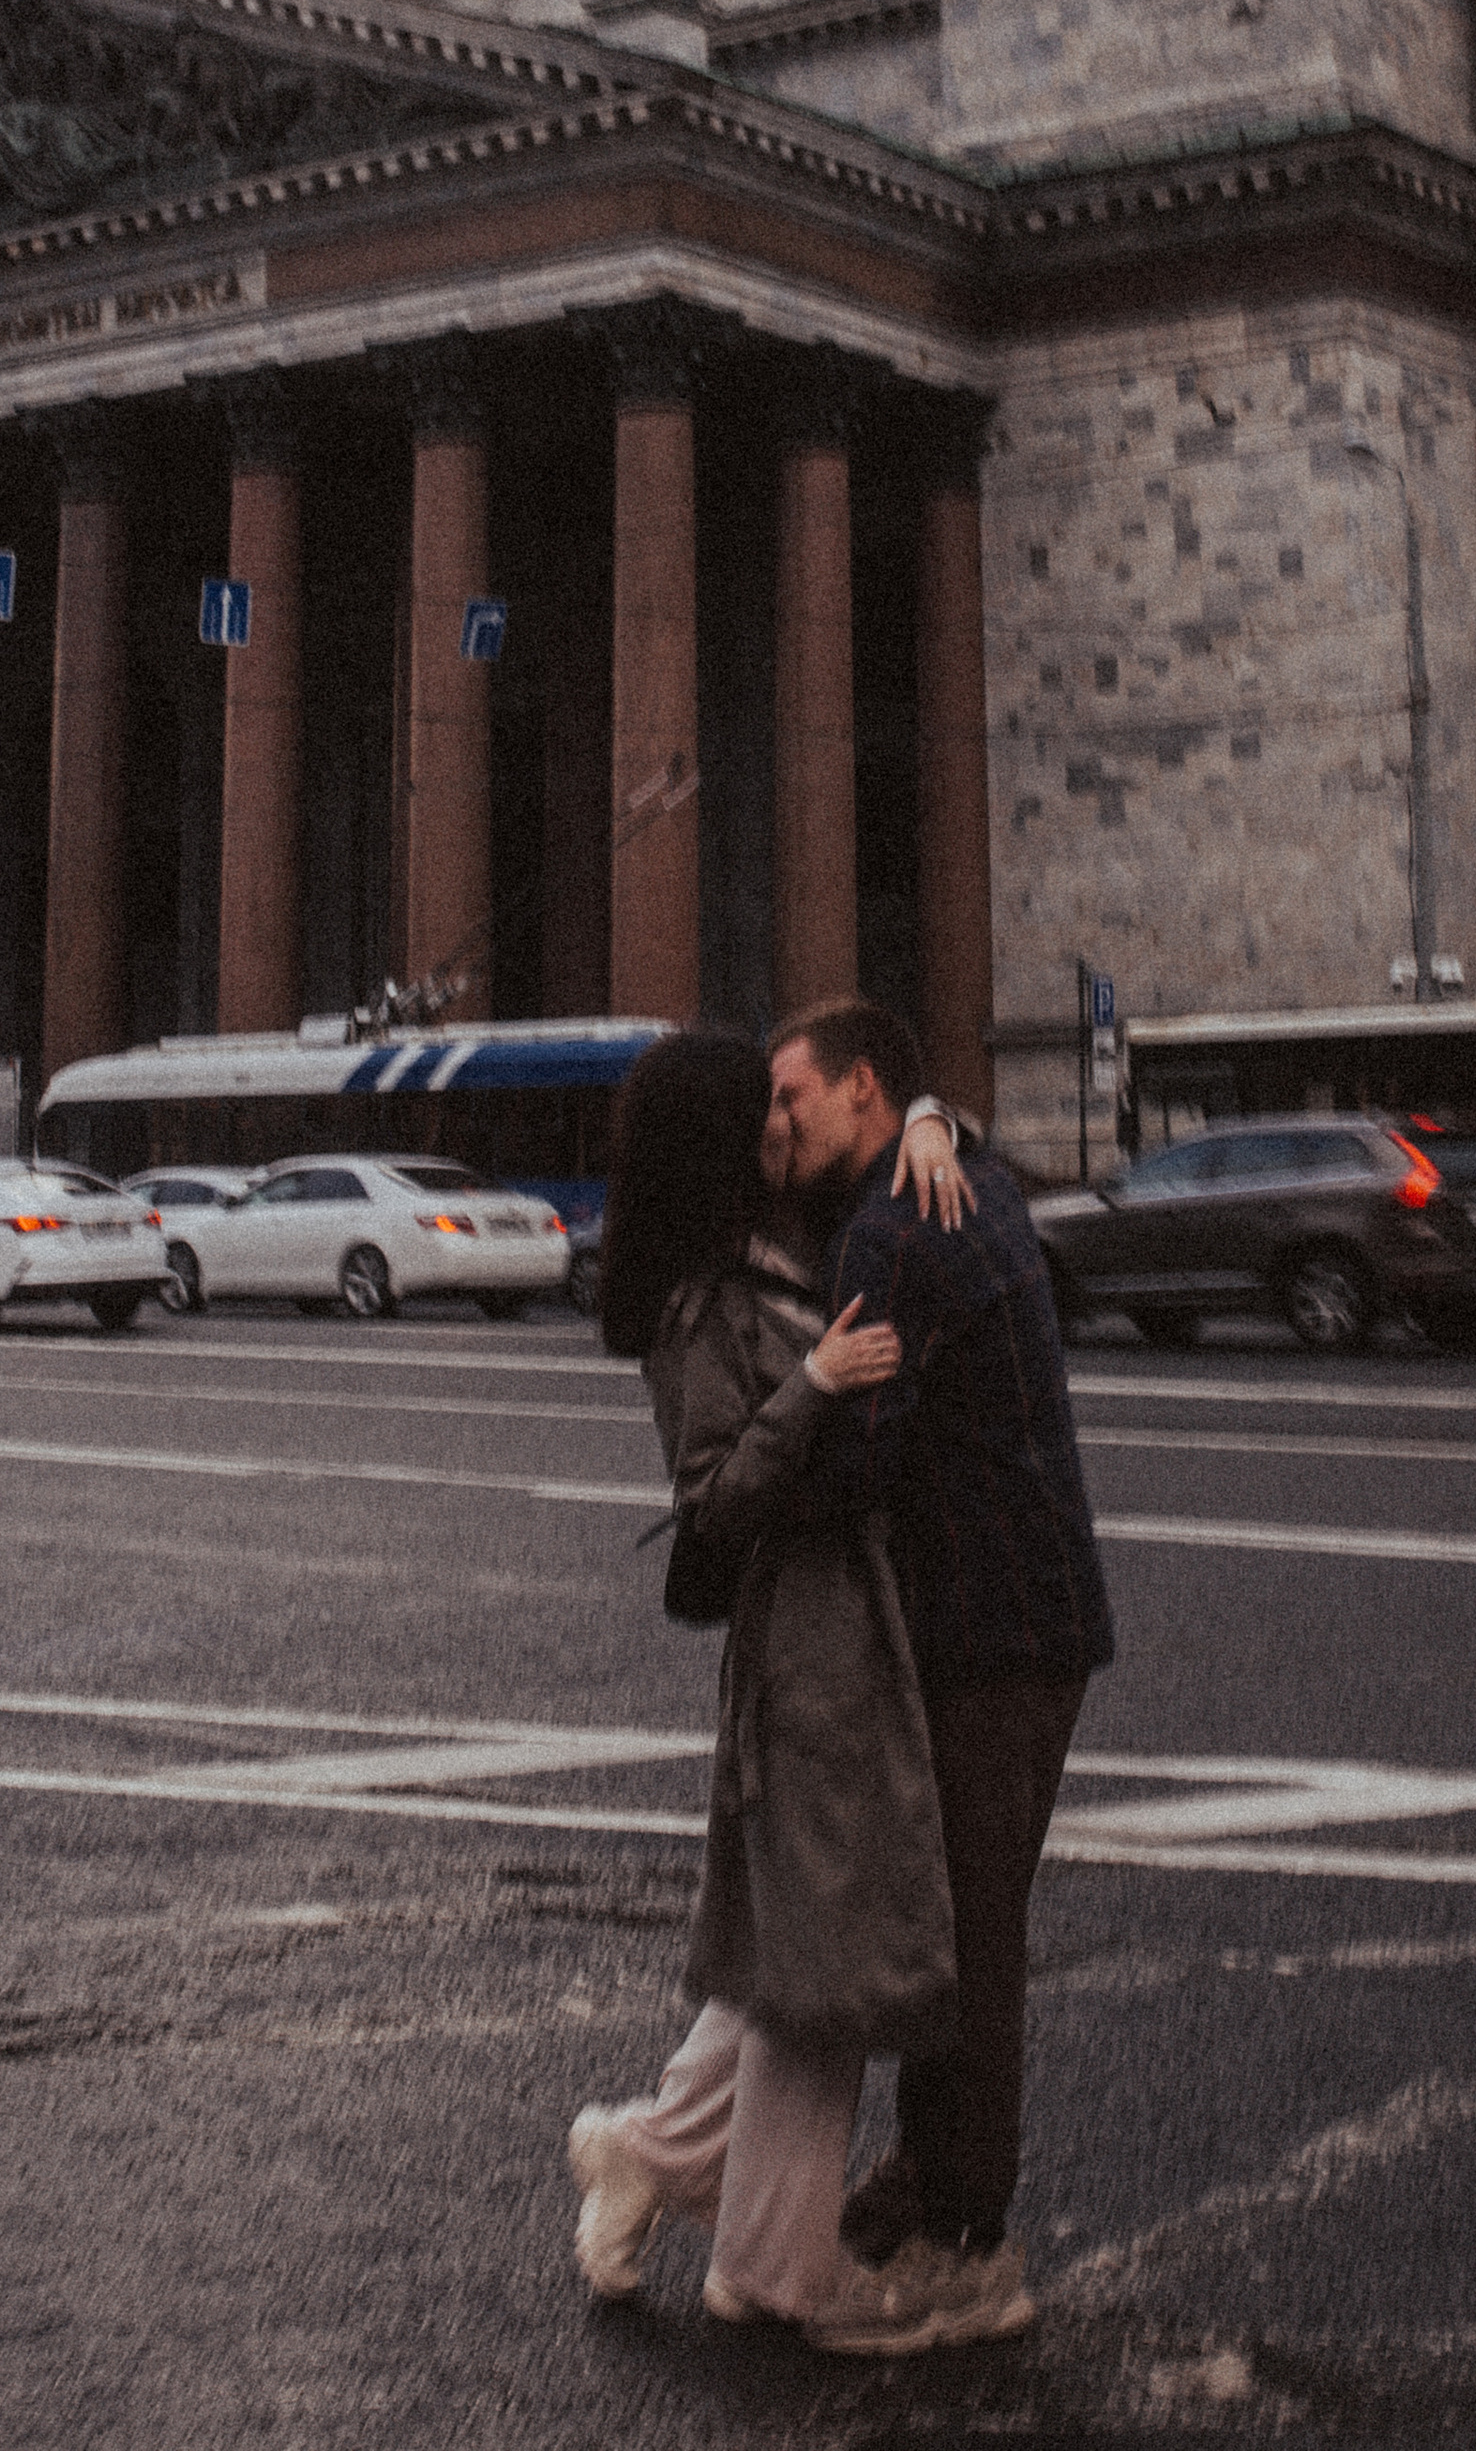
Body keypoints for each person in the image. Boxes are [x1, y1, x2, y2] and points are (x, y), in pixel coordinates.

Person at [566, 1031, 975, 2354]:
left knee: (798, 1933)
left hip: (852, 1622)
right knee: (825, 1962)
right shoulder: (699, 1306)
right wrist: (812, 1386)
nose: (783, 1120)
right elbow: (711, 1500)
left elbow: (882, 1105)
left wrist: (931, 1117)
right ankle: (776, 2266)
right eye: (763, 1106)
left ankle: (653, 2153)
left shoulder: (775, 1243)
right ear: (718, 1140)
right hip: (805, 1647)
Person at [766, 994, 1114, 2346]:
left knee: (964, 1940)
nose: (776, 1122)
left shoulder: (890, 1232)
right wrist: (933, 1113)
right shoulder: (968, 1178)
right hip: (1036, 1618)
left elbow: (859, 1461)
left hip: (982, 1630)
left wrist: (751, 1475)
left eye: (791, 1098)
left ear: (860, 1088)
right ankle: (932, 2182)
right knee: (969, 1919)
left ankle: (967, 2249)